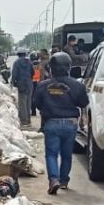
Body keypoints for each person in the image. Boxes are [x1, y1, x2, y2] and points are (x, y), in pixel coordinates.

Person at [33, 51, 88, 194]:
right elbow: (83, 102)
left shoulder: (43, 85)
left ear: (51, 68)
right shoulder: (77, 85)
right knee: (66, 154)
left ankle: (53, 180)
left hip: (51, 123)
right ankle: (64, 180)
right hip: (70, 124)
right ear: (69, 67)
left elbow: (37, 104)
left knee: (51, 154)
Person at [9, 48, 35, 127]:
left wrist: (12, 83)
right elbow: (32, 72)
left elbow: (14, 74)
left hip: (21, 84)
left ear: (18, 54)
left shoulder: (16, 63)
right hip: (29, 84)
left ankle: (24, 121)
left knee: (22, 103)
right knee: (28, 102)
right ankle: (28, 120)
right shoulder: (29, 62)